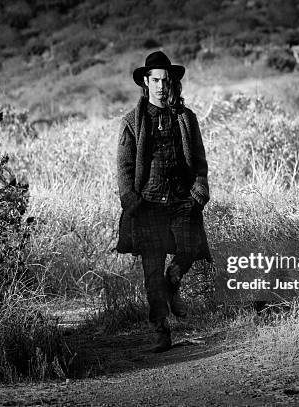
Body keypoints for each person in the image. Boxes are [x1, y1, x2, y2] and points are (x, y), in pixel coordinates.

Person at [115, 51, 212, 353]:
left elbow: (199, 162)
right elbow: (125, 167)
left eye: (165, 81)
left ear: (172, 83)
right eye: (155, 80)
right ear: (145, 82)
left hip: (182, 199)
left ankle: (174, 282)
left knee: (190, 250)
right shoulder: (132, 122)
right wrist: (131, 201)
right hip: (148, 206)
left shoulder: (186, 118)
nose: (161, 86)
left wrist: (199, 192)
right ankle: (161, 330)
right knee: (151, 272)